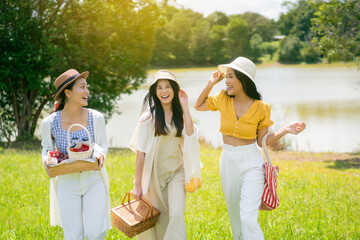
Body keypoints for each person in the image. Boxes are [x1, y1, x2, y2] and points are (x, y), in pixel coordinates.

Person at [194, 57, 306, 240]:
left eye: (231, 77)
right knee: (235, 215)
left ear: (243, 80)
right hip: (228, 161)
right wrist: (210, 83)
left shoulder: (262, 108)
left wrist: (285, 130)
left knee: (248, 216)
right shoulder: (222, 98)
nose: (227, 81)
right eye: (226, 77)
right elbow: (198, 106)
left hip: (252, 163)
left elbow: (263, 141)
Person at [128, 70, 200, 240]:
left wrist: (184, 105)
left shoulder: (180, 114)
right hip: (153, 176)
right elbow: (141, 153)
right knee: (157, 220)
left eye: (168, 86)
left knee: (176, 214)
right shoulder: (148, 117)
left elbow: (190, 134)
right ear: (155, 92)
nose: (164, 91)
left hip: (177, 173)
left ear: (174, 90)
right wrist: (138, 185)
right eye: (159, 87)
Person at [41, 69, 111, 240]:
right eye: (82, 87)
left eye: (87, 87)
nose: (87, 91)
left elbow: (102, 144)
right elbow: (46, 148)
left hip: (93, 179)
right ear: (68, 92)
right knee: (73, 235)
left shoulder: (96, 118)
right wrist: (46, 160)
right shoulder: (50, 122)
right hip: (67, 183)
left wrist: (100, 154)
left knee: (95, 233)